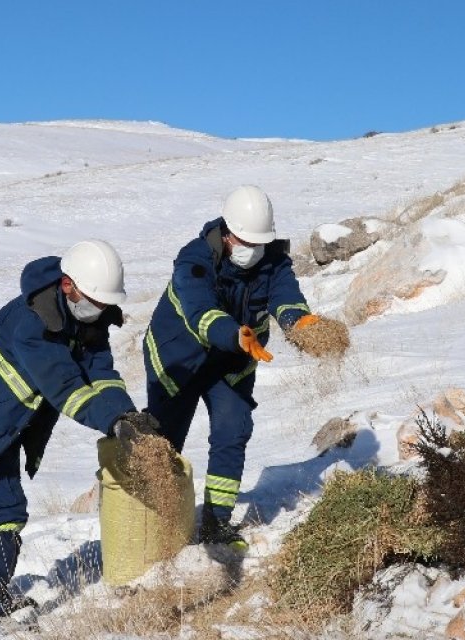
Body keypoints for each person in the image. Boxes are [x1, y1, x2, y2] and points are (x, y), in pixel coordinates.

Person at [0, 239, 156, 627]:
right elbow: (66, 387)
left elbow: (100, 372)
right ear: (68, 286)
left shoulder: (86, 318)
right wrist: (112, 424)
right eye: (94, 301)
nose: (99, 310)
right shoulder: (33, 323)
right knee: (5, 510)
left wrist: (125, 414)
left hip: (0, 422)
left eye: (103, 303)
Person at [142, 185, 335, 550]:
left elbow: (286, 297)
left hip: (231, 364)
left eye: (259, 242)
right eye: (245, 241)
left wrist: (300, 322)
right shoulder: (194, 259)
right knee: (164, 445)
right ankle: (155, 528)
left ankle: (216, 523)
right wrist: (233, 334)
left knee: (233, 430)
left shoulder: (274, 261)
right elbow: (200, 311)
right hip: (178, 361)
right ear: (227, 233)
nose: (252, 250)